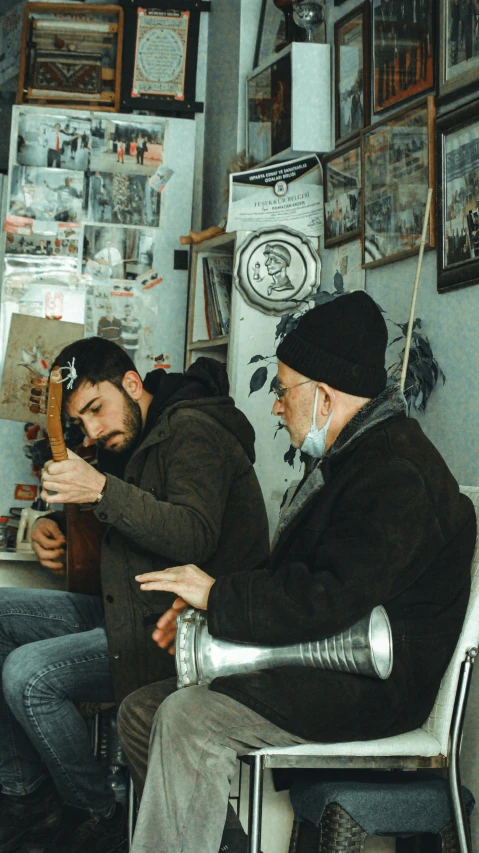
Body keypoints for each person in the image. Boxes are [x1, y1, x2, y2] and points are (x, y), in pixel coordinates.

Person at [117, 291, 477, 853]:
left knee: (188, 716)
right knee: (143, 709)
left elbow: (329, 598)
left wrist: (216, 594)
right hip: (319, 659)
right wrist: (209, 609)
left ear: (325, 396)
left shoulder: (397, 473)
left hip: (370, 683)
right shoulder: (352, 458)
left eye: (284, 391)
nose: (276, 405)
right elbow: (298, 581)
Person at [0, 338, 269, 853]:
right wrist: (54, 526)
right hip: (123, 608)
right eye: (81, 422)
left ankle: (98, 810)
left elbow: (192, 533)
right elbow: (134, 511)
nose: (94, 431)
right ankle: (25, 795)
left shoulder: (194, 431)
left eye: (96, 410)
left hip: (176, 635)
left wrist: (98, 489)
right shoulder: (131, 437)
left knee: (28, 675)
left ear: (131, 383)